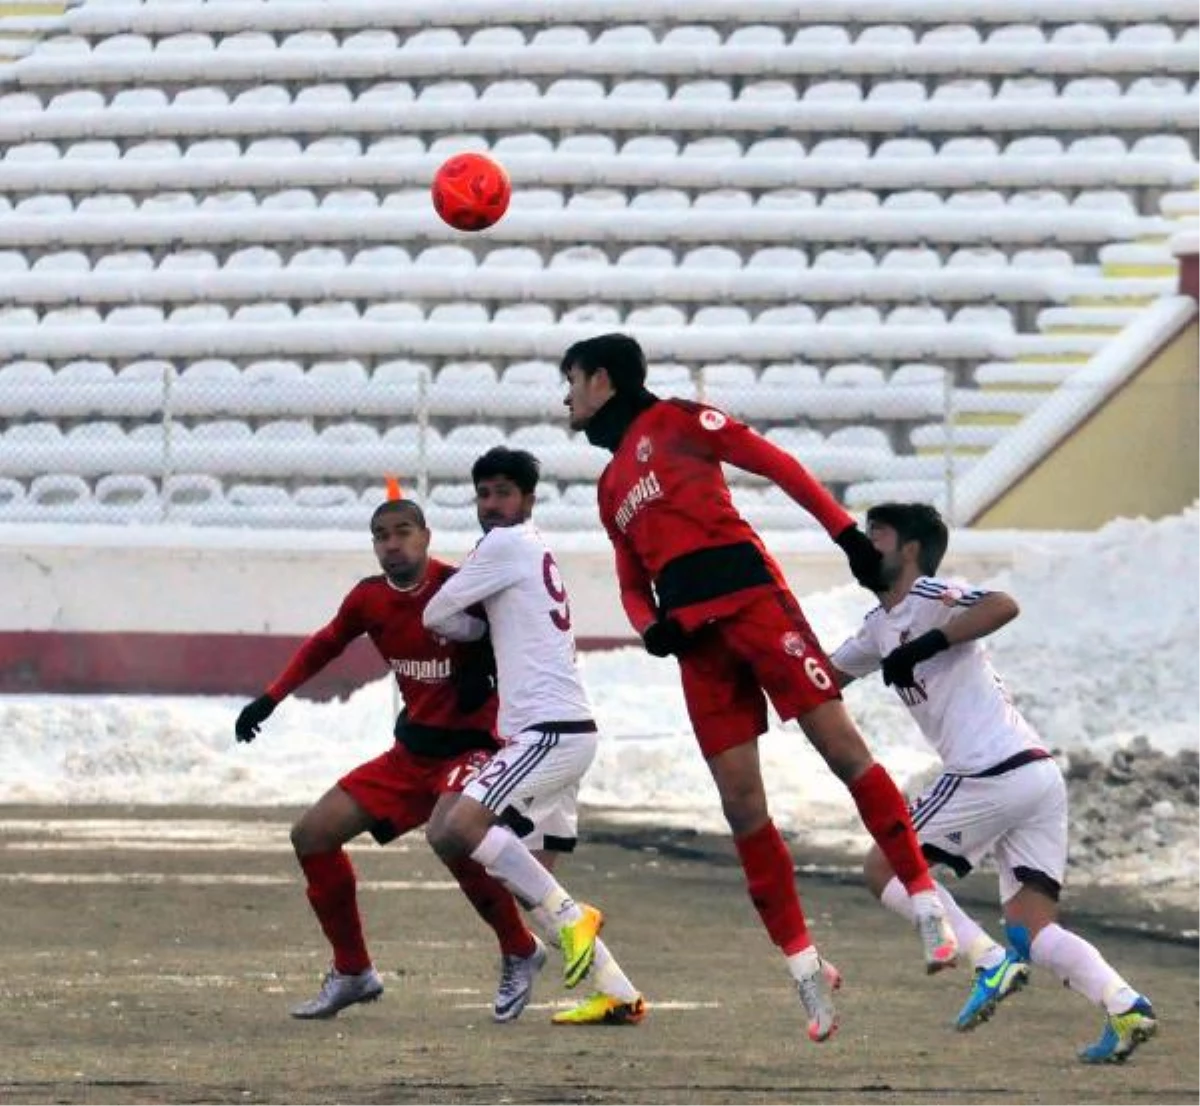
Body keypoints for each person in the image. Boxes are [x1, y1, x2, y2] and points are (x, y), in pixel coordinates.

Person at [560, 333, 954, 1044]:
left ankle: (925, 898)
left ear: (604, 381)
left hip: (753, 605)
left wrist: (847, 537)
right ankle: (804, 964)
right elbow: (628, 578)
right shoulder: (609, 485)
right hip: (696, 643)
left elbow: (774, 463)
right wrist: (648, 625)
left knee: (842, 751)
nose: (565, 397)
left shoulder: (680, 421)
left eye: (572, 381)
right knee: (742, 807)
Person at [828, 501, 1158, 1064]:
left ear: (909, 550)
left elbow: (1003, 604)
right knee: (1031, 929)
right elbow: (820, 677)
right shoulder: (877, 628)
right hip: (1032, 775)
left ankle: (987, 960)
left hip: (990, 769)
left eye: (876, 535)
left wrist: (928, 644)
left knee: (883, 866)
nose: (864, 545)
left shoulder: (931, 597)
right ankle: (1125, 1005)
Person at [234, 497, 549, 1023]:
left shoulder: (463, 588)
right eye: (381, 535)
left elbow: (528, 640)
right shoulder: (369, 599)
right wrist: (269, 698)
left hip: (470, 749)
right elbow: (324, 645)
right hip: (411, 754)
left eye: (403, 531)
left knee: (452, 838)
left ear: (426, 536)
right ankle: (354, 970)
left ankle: (520, 949)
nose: (393, 543)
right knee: (311, 835)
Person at [423, 446, 646, 1027]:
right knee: (532, 879)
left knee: (459, 826)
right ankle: (617, 992)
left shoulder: (503, 544)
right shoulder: (534, 546)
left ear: (527, 499)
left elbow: (437, 613)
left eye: (503, 493)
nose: (491, 505)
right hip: (569, 728)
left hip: (546, 732)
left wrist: (475, 629)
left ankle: (576, 920)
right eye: (483, 494)